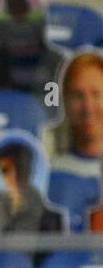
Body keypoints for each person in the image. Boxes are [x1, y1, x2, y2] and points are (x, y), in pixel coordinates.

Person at [49, 51, 103, 231]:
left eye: (96, 94)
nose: (88, 107)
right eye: (78, 95)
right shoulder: (52, 172)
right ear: (65, 100)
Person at [0, 0, 68, 96]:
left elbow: (57, 103)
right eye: (12, 11)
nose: (18, 25)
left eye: (23, 17)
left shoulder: (58, 62)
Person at [0, 136, 64, 235]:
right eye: (5, 170)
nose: (14, 175)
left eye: (19, 167)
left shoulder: (51, 217)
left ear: (29, 169)